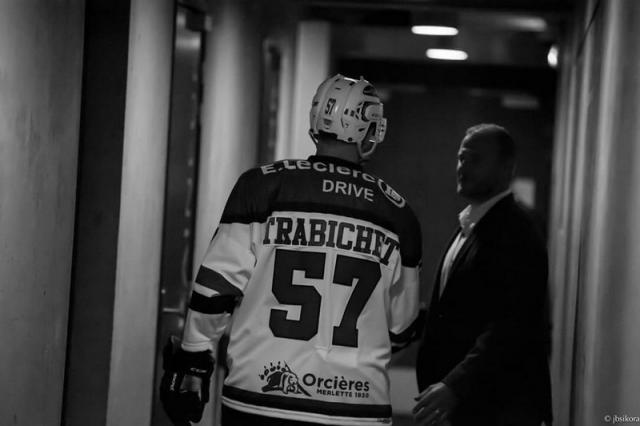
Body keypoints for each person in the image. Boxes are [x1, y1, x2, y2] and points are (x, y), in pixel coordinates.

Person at [160, 74, 423, 426]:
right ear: (366, 126)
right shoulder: (398, 214)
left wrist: (194, 355)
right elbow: (402, 327)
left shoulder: (262, 185)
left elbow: (215, 287)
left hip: (260, 394)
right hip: (355, 406)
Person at [413, 124, 552, 426]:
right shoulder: (472, 223)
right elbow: (461, 310)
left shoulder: (517, 232)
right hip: (466, 409)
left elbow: (513, 326)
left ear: (506, 168)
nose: (463, 167)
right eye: (462, 158)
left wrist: (454, 386)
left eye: (475, 159)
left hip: (497, 410)